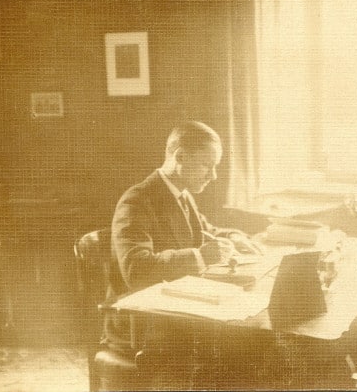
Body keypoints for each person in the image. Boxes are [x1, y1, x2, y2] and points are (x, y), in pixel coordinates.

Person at [105, 121, 261, 384]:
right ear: (180, 157)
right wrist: (201, 257)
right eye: (206, 165)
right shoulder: (137, 200)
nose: (212, 176)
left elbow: (205, 231)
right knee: (242, 347)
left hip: (175, 316)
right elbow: (137, 270)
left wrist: (232, 236)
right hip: (142, 326)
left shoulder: (182, 194)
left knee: (247, 342)